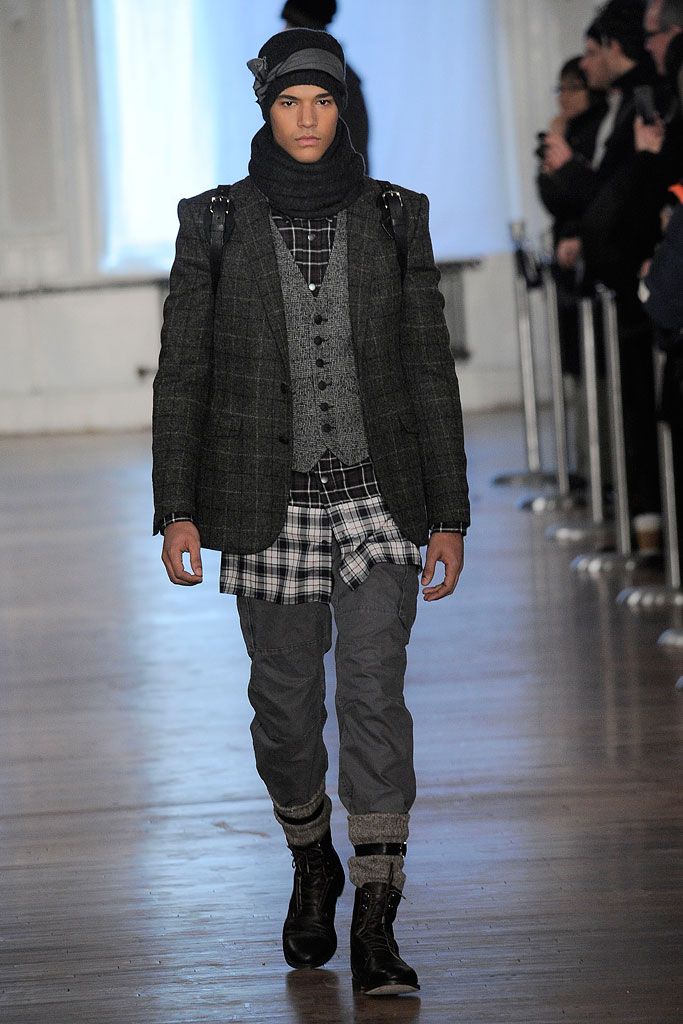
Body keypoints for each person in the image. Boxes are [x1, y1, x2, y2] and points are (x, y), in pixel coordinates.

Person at [152, 28, 469, 997]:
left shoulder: (394, 215)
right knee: (285, 710)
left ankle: (375, 914)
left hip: (379, 496)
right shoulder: (213, 221)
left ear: (342, 108)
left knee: (373, 696)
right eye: (289, 101)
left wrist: (449, 515)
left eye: (321, 101)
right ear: (265, 109)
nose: (305, 118)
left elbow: (427, 367)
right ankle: (309, 858)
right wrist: (177, 508)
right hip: (264, 498)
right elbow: (184, 372)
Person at [281, 0, 370, 171]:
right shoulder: (338, 77)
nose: (282, 33)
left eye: (290, 26)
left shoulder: (335, 81)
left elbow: (353, 157)